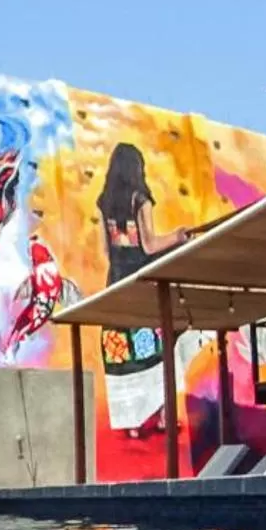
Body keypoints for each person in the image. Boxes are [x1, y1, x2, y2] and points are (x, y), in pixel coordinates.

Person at [94, 143, 189, 437]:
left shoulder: (104, 202)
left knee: (126, 354)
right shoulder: (141, 200)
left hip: (117, 283)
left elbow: (105, 251)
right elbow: (149, 246)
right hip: (143, 283)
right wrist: (178, 236)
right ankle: (163, 416)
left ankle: (133, 423)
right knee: (162, 347)